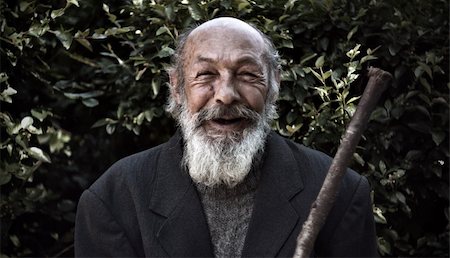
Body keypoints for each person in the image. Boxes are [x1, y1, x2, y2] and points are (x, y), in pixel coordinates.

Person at [75, 17, 378, 257]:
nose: (226, 95)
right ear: (177, 87)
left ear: (273, 85)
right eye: (206, 74)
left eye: (247, 74)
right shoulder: (114, 200)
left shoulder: (340, 192)